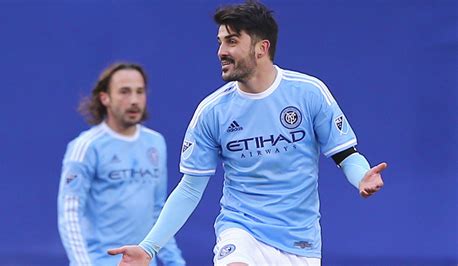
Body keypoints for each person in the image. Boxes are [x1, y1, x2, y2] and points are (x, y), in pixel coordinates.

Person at [108, 1, 387, 265]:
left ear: (261, 48)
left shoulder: (309, 93)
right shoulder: (212, 111)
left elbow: (346, 154)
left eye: (231, 41)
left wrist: (361, 176)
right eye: (219, 42)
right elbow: (191, 188)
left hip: (300, 242)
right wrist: (148, 247)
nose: (221, 52)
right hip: (240, 230)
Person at [57, 63, 185, 266]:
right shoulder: (86, 147)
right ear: (104, 98)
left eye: (140, 92)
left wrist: (175, 262)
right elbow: (70, 213)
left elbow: (158, 213)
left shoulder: (156, 143)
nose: (134, 100)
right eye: (124, 92)